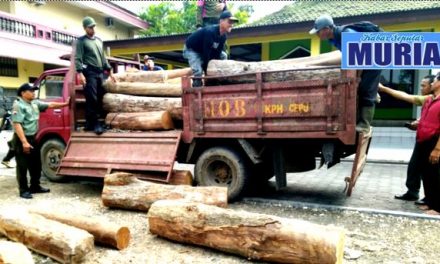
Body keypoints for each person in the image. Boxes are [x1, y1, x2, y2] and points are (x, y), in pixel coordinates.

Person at [309, 15, 382, 133]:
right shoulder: (333, 38)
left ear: (327, 29)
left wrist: (357, 79)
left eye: (318, 31)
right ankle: (373, 90)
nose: (317, 35)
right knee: (360, 87)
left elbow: (359, 59)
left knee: (365, 90)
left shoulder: (348, 34)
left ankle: (364, 125)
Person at [378, 75, 436, 204]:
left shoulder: (432, 99)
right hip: (421, 139)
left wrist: (384, 89)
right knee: (414, 166)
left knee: (429, 171)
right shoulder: (429, 100)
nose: (421, 88)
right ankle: (413, 192)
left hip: (432, 140)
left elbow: (405, 96)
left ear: (433, 86)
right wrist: (419, 122)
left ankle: (431, 199)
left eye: (424, 85)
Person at [11, 83, 69, 199]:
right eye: (31, 91)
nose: (34, 92)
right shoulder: (18, 105)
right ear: (23, 93)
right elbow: (17, 124)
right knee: (22, 166)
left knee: (36, 164)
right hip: (22, 139)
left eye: (34, 90)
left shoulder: (34, 103)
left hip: (33, 138)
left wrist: (65, 104)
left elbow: (50, 105)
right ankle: (23, 190)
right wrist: (24, 142)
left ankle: (35, 186)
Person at [75, 16, 115, 135]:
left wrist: (110, 70)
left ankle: (89, 124)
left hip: (100, 72)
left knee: (100, 96)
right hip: (89, 73)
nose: (93, 29)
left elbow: (103, 58)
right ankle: (95, 123)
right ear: (85, 28)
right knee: (92, 98)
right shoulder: (81, 41)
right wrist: (80, 74)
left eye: (94, 26)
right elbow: (78, 58)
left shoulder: (98, 40)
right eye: (90, 27)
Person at [183, 10, 238, 87]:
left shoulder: (223, 37)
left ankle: (221, 79)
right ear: (221, 21)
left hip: (203, 50)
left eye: (232, 23)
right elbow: (206, 54)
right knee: (198, 72)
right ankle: (197, 88)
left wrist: (215, 73)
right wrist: (207, 74)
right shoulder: (210, 32)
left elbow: (217, 54)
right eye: (229, 22)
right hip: (192, 50)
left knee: (224, 56)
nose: (231, 25)